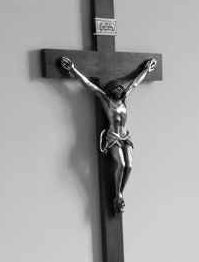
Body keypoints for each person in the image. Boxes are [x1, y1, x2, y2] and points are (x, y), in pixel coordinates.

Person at [60, 55, 157, 212]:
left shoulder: (123, 101)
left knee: (130, 165)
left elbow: (134, 84)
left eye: (121, 90)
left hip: (125, 136)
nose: (120, 92)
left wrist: (147, 70)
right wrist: (72, 69)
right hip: (113, 136)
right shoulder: (106, 101)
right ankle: (118, 195)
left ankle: (120, 193)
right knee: (121, 164)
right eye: (117, 90)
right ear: (112, 92)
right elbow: (89, 85)